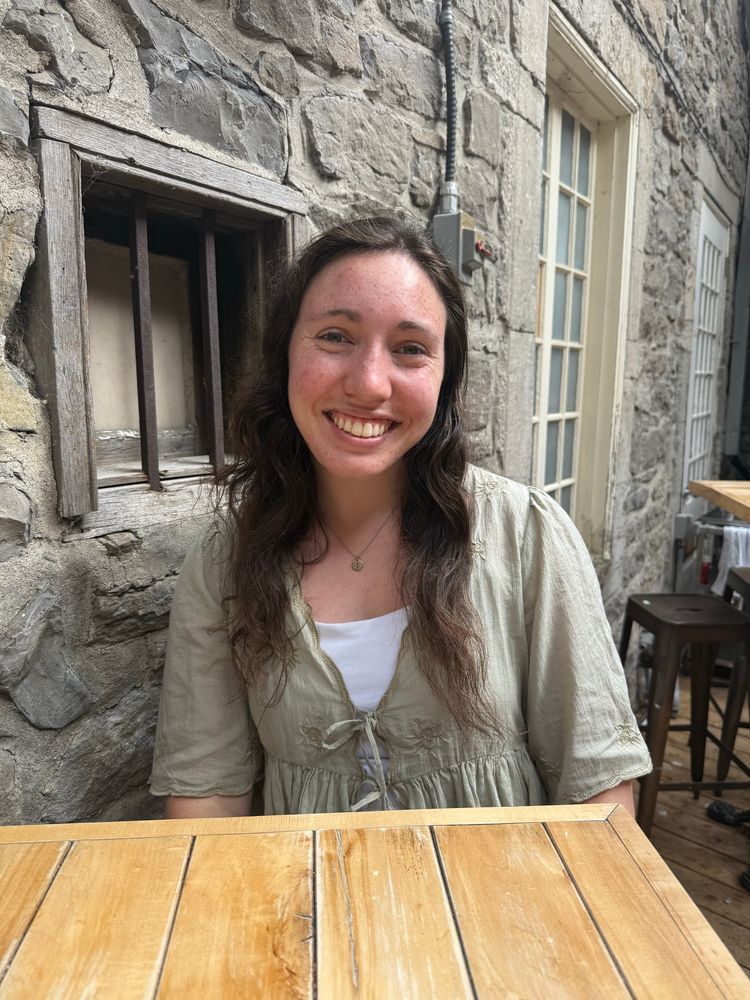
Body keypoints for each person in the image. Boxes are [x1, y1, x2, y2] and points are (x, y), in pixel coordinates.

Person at [150, 216, 651, 819]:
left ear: (445, 379)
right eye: (335, 336)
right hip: (306, 908)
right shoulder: (224, 563)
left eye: (410, 348)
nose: (368, 383)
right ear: (285, 355)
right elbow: (207, 804)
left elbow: (600, 793)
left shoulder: (528, 538)